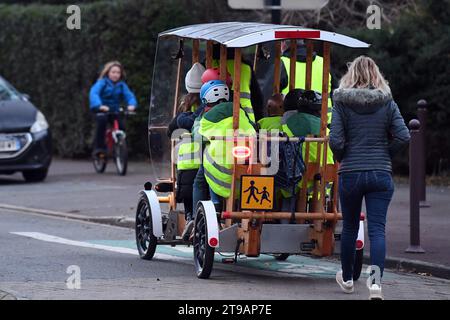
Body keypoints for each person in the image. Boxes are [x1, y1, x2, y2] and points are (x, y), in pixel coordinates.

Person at [330, 56, 410, 300]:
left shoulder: (341, 103)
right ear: (376, 74)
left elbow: (335, 140)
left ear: (351, 74)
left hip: (351, 173)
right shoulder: (387, 102)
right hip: (380, 173)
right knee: (377, 230)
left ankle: (346, 279)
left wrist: (341, 155)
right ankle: (375, 284)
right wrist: (386, 153)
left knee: (350, 228)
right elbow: (404, 136)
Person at [193, 80, 256, 217]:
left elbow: (199, 138)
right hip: (244, 166)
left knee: (200, 178)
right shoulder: (239, 111)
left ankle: (207, 210)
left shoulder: (207, 118)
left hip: (220, 167)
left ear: (206, 100)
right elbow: (253, 127)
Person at [166, 63, 205, 239]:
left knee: (188, 194)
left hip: (186, 161)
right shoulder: (208, 108)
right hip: (207, 159)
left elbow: (170, 131)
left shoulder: (184, 107)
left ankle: (190, 217)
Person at [89, 61, 137, 156]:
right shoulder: (102, 83)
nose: (116, 74)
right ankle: (99, 148)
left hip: (114, 110)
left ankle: (119, 147)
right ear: (108, 73)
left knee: (121, 126)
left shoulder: (122, 85)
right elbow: (94, 93)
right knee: (102, 122)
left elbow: (129, 96)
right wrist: (99, 105)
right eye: (113, 72)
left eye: (118, 72)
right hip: (101, 110)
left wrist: (132, 104)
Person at [279, 40, 333, 122]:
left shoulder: (281, 63)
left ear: (283, 45)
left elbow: (271, 95)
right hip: (323, 124)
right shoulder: (323, 62)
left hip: (291, 125)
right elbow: (334, 91)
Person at [211, 45, 264, 122]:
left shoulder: (209, 64)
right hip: (246, 120)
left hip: (214, 118)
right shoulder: (246, 67)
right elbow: (257, 99)